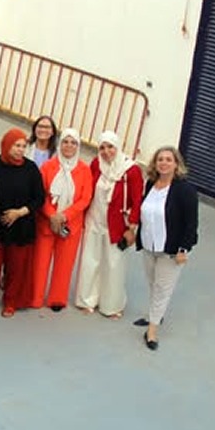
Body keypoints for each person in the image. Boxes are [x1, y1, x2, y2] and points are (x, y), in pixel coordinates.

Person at [75, 131, 144, 318]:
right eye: (102, 147)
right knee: (90, 260)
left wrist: (132, 228)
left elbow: (137, 201)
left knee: (114, 265)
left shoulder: (131, 170)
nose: (106, 152)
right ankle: (87, 299)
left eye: (110, 147)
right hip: (94, 220)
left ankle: (112, 305)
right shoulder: (97, 164)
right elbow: (88, 189)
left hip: (117, 225)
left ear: (118, 146)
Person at [135, 146, 198, 350]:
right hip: (148, 244)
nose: (163, 163)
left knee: (163, 288)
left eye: (168, 160)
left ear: (176, 164)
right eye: (160, 159)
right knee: (153, 282)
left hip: (171, 249)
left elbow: (191, 223)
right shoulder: (151, 184)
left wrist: (184, 249)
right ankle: (156, 315)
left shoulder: (185, 190)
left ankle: (152, 330)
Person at [0, 129, 45, 316]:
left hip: (21, 226)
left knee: (16, 267)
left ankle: (11, 301)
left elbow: (39, 198)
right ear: (7, 145)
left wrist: (19, 213)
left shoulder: (31, 169)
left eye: (23, 146)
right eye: (17, 145)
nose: (20, 150)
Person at [31, 128, 93, 311]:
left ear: (78, 146)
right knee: (40, 262)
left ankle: (57, 299)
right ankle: (35, 297)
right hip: (46, 222)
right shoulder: (48, 166)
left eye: (73, 142)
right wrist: (52, 215)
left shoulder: (84, 169)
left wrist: (65, 215)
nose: (69, 146)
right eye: (65, 141)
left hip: (70, 225)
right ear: (59, 144)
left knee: (64, 264)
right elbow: (40, 194)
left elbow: (85, 198)